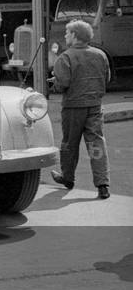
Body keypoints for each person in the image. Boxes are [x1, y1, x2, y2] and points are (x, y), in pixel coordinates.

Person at [49, 19, 111, 199]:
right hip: (95, 105)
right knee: (96, 144)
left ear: (75, 36)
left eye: (67, 33)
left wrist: (55, 82)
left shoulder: (65, 57)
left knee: (70, 143)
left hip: (73, 107)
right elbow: (105, 79)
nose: (65, 36)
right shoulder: (101, 55)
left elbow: (63, 84)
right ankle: (103, 184)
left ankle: (68, 178)